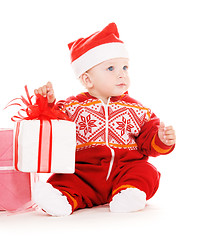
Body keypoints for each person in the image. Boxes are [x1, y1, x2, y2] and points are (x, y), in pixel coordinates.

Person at [33, 23, 176, 216]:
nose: (121, 74)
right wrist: (47, 103)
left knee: (146, 171)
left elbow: (147, 139)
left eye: (125, 67)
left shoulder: (138, 109)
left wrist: (161, 138)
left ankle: (129, 194)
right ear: (87, 80)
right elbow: (52, 126)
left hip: (125, 171)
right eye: (111, 68)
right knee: (65, 178)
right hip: (84, 173)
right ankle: (61, 199)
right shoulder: (71, 107)